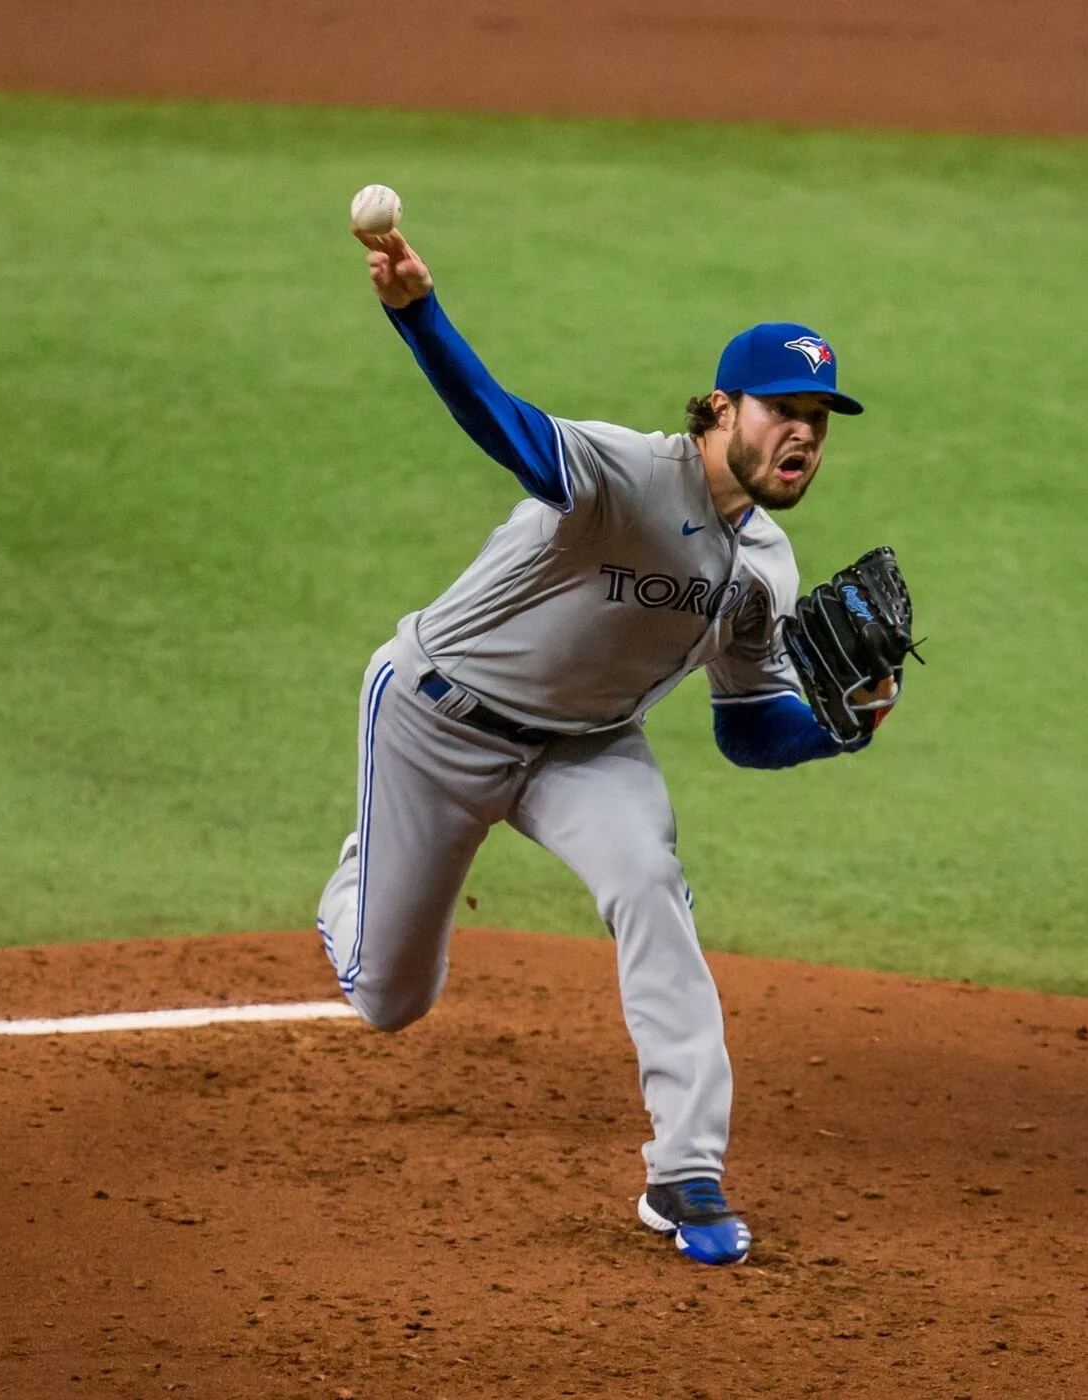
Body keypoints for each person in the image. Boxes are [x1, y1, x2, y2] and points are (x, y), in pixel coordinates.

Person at [316, 226, 895, 1267]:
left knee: (649, 882)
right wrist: (417, 314)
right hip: (436, 719)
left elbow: (745, 729)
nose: (802, 435)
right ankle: (362, 879)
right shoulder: (624, 472)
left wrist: (837, 729)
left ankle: (686, 1171)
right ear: (721, 409)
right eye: (782, 410)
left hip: (585, 751)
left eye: (817, 419)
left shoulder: (765, 566)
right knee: (390, 998)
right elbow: (500, 422)